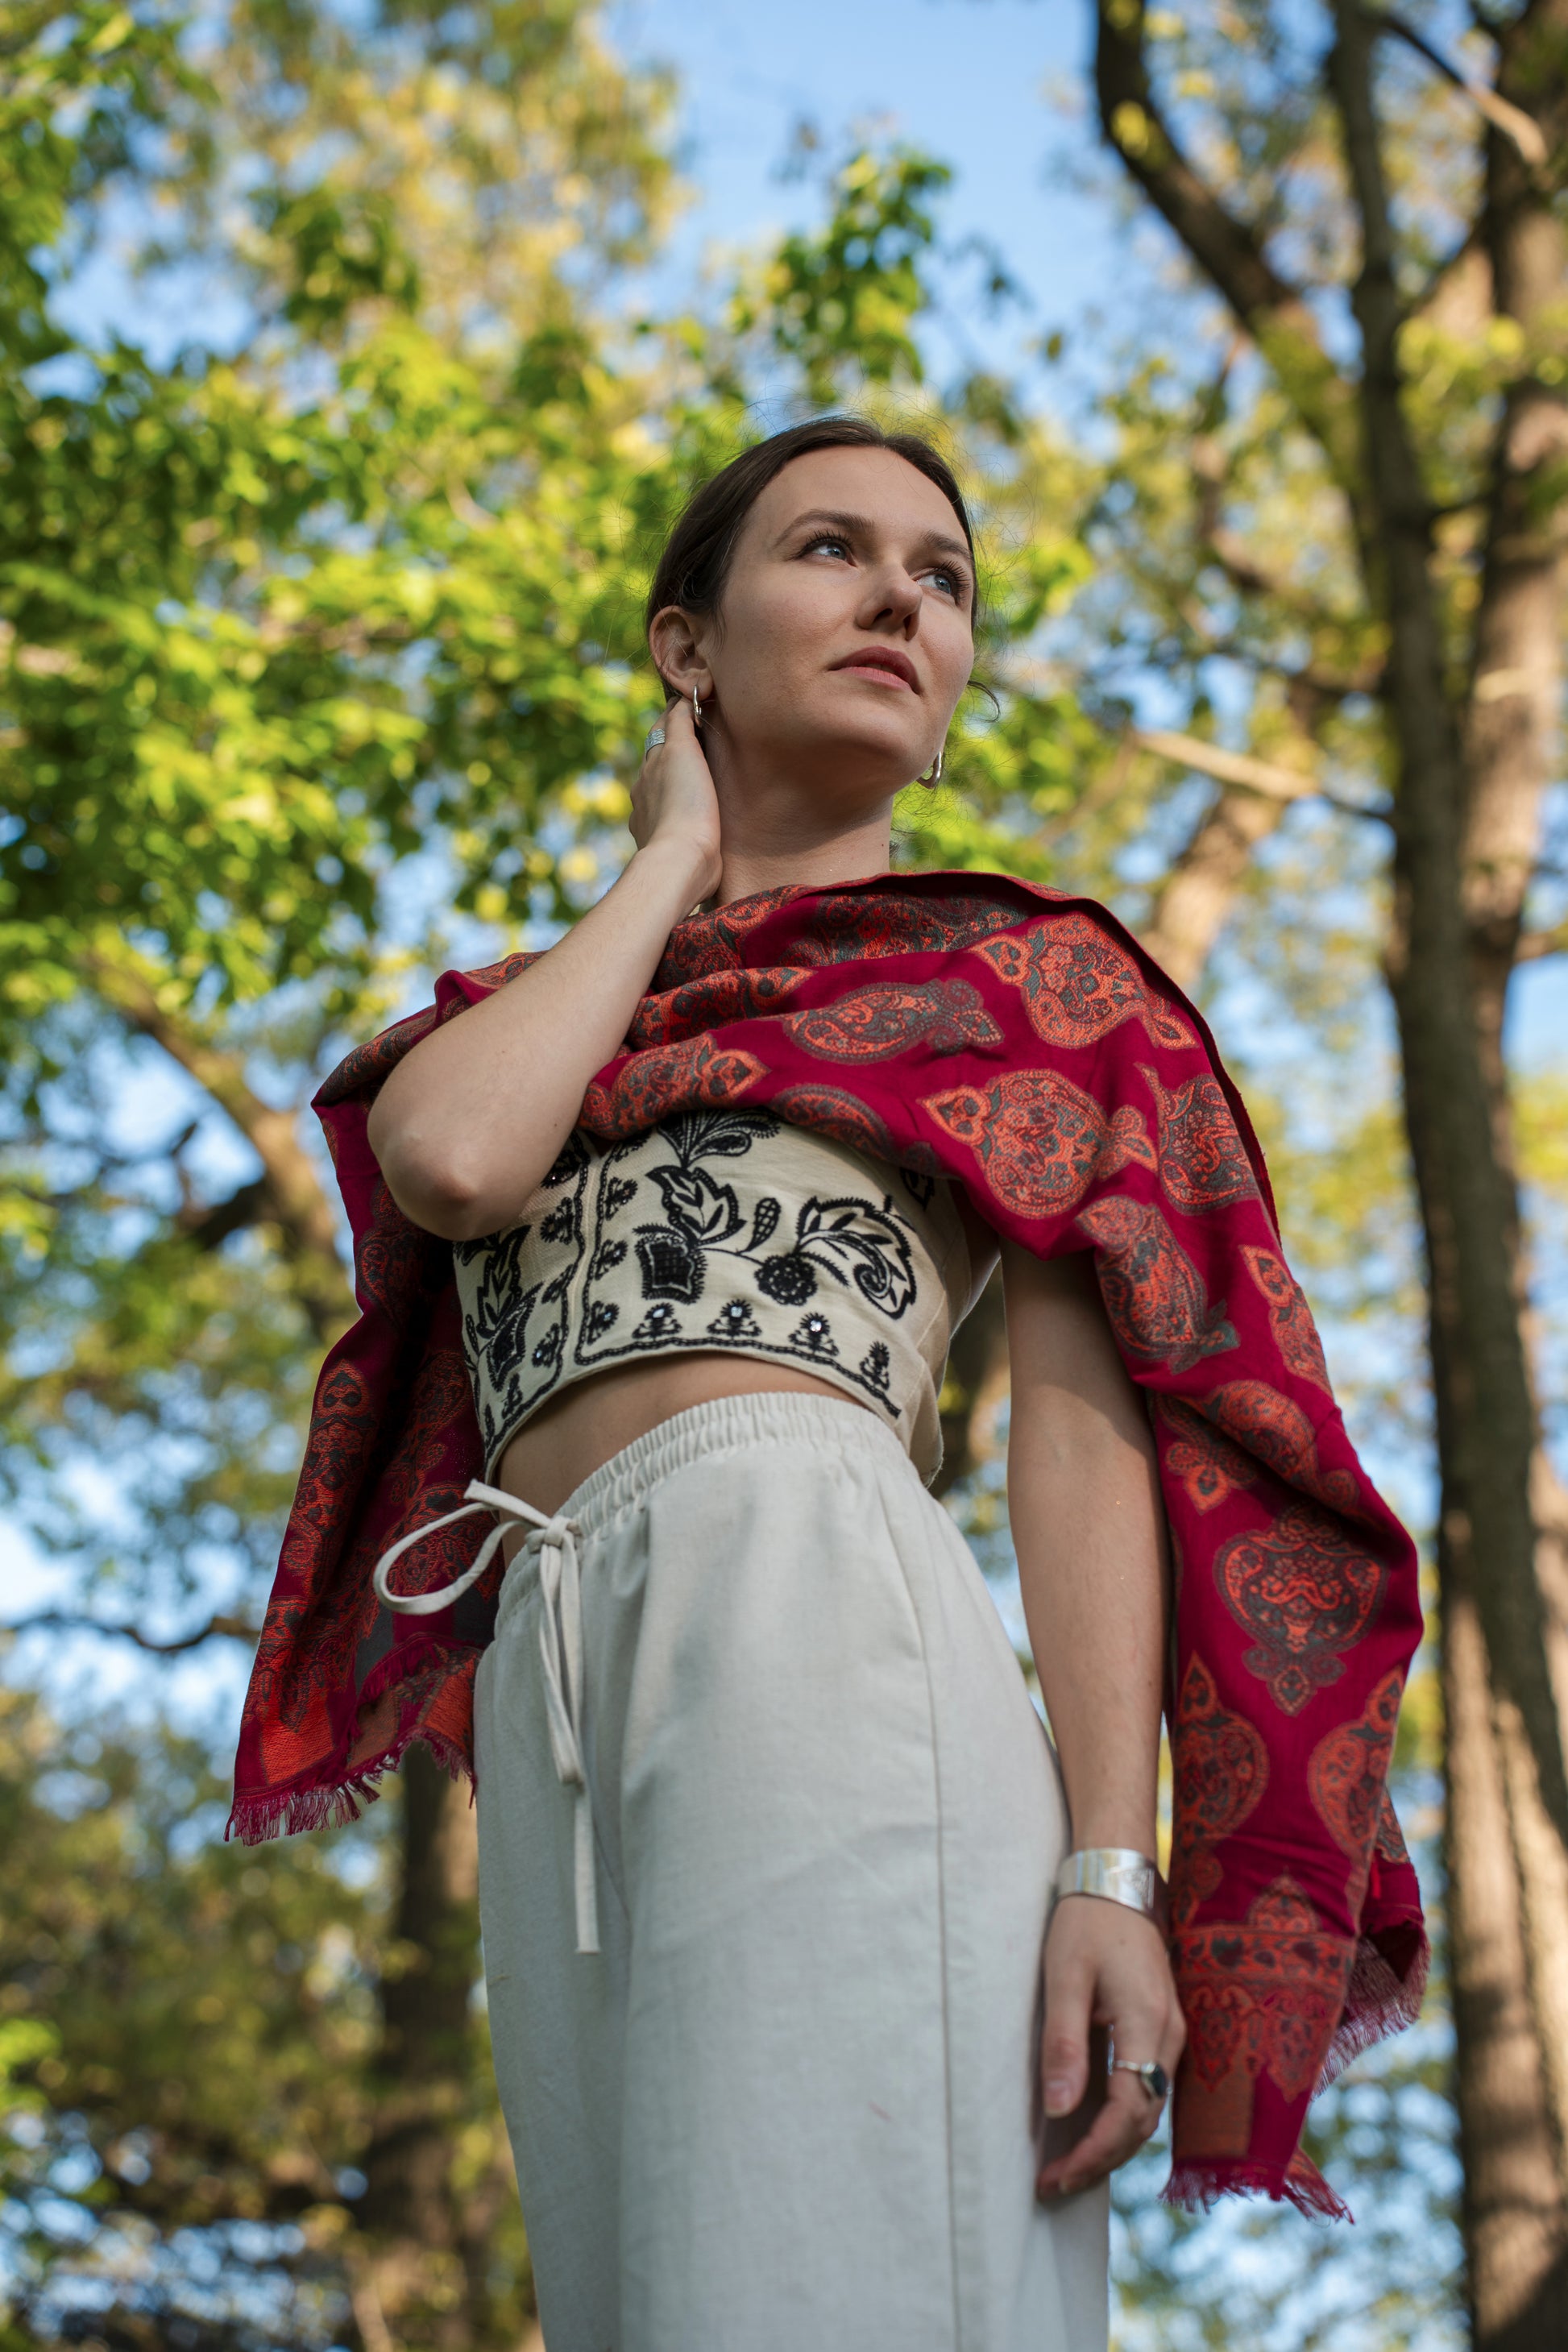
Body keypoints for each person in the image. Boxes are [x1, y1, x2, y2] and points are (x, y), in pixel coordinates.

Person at [232, 416, 1426, 2352]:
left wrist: (1112, 1871)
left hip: (825, 1605)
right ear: (684, 646)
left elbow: (1082, 1448)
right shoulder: (527, 1013)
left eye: (941, 578)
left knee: (834, 2270)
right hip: (555, 1685)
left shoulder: (1029, 994)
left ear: (953, 688)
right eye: (831, 551)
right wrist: (673, 859)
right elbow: (448, 1159)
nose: (899, 596)